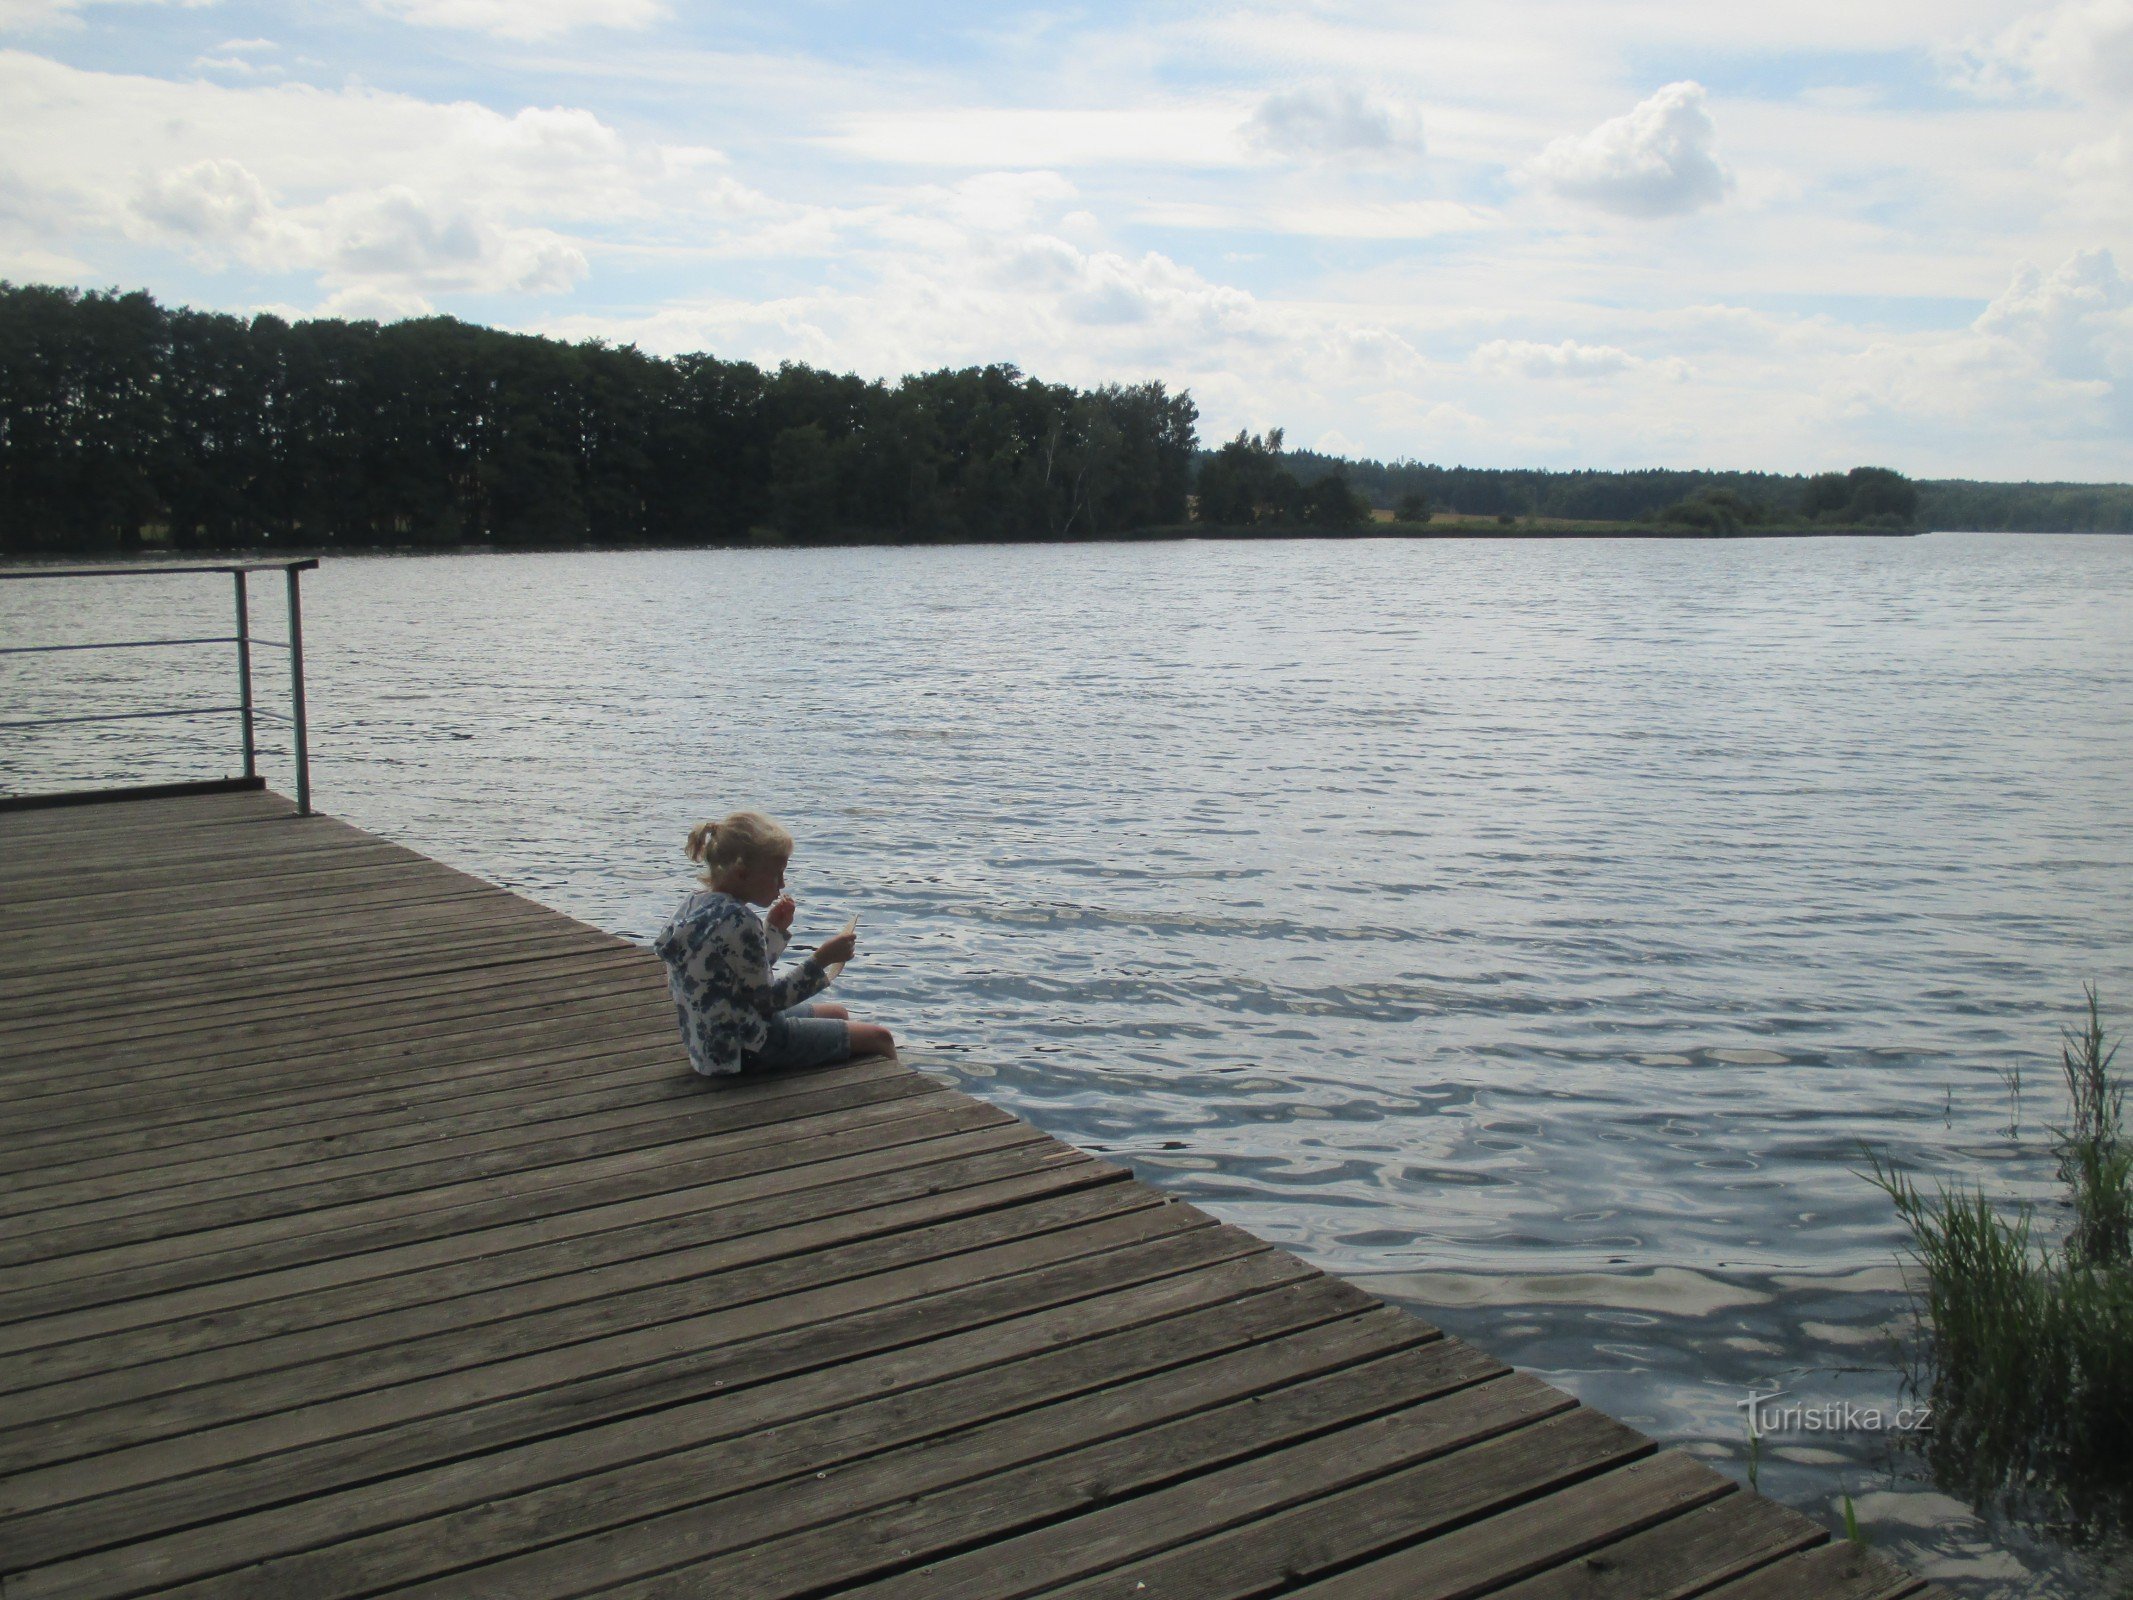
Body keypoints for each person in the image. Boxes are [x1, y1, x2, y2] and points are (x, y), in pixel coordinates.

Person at [654, 810, 894, 1077]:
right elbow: (770, 999)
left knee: (838, 1013)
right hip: (748, 1049)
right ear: (742, 873)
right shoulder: (740, 921)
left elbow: (743, 977)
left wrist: (774, 931)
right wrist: (822, 959)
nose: (782, 883)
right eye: (776, 874)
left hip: (710, 1047)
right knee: (879, 1037)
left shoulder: (692, 905)